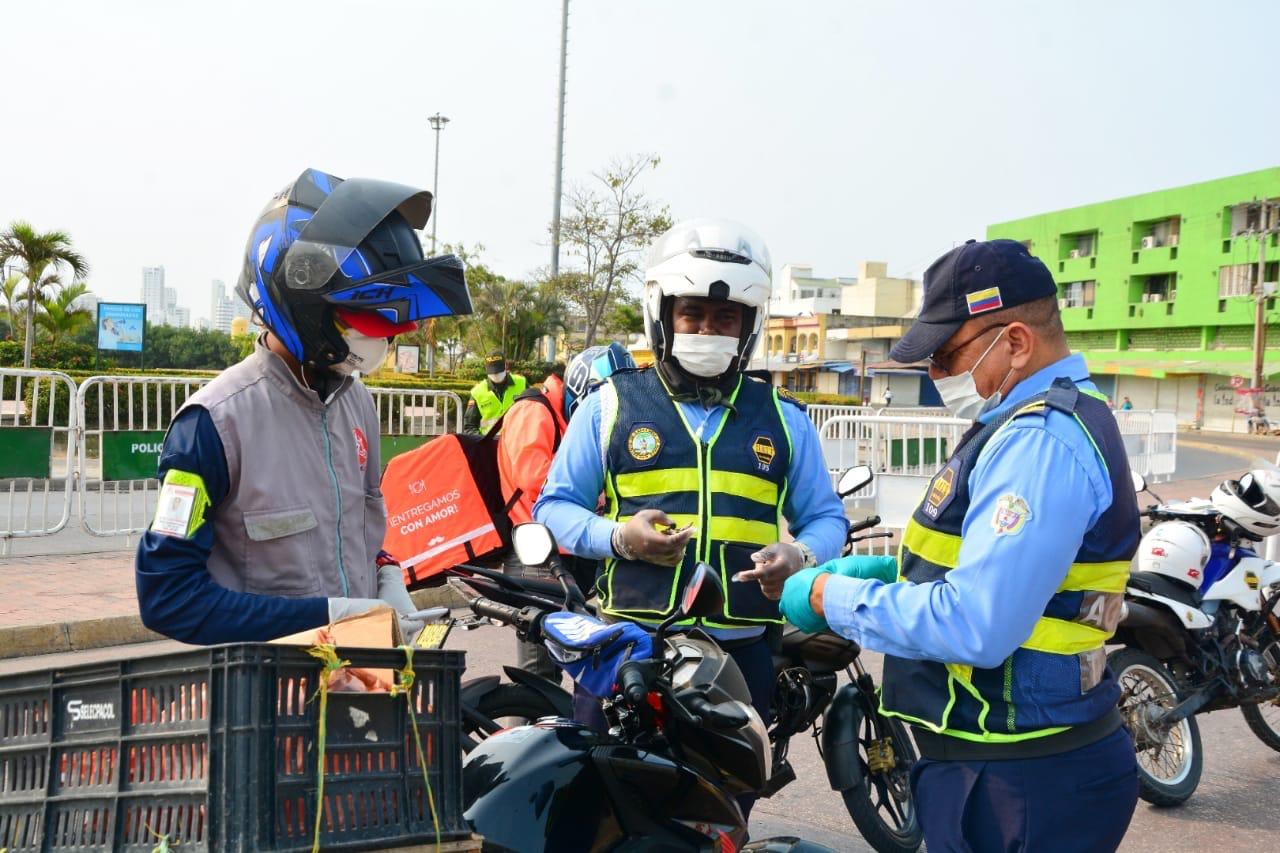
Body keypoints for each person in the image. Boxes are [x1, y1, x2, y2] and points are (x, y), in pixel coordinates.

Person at [777, 239, 1140, 852]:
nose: (936, 375)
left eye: (947, 356)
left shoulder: (1039, 445)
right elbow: (985, 566)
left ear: (1017, 342)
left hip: (1023, 778)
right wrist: (892, 570)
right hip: (1007, 761)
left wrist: (830, 593)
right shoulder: (1022, 426)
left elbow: (977, 624)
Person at [534, 219, 848, 816]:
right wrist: (619, 538)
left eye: (724, 319)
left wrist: (800, 555)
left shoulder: (784, 419)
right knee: (604, 806)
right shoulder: (611, 406)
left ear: (747, 327)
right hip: (630, 648)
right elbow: (554, 509)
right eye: (693, 315)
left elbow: (826, 519)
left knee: (726, 809)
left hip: (742, 651)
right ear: (663, 315)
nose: (708, 329)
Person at [135, 168, 472, 645]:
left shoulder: (357, 404)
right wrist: (328, 617)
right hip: (261, 697)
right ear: (304, 305)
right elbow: (168, 597)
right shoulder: (213, 424)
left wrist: (387, 577)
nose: (388, 335)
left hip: (357, 683)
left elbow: (358, 534)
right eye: (369, 316)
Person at [497, 342, 636, 680]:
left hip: (565, 553)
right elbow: (534, 479)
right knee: (538, 669)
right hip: (538, 555)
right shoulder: (535, 411)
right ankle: (530, 733)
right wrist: (597, 494)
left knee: (578, 661)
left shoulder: (559, 417)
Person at [463, 350, 526, 434]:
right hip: (490, 443)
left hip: (517, 440)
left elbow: (534, 412)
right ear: (486, 368)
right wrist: (482, 443)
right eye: (492, 371)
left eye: (498, 370)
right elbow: (470, 426)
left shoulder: (522, 383)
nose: (496, 374)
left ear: (505, 365)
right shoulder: (477, 392)